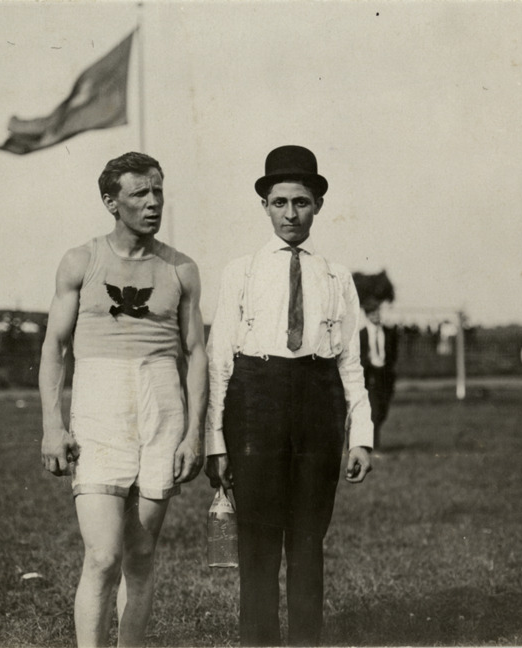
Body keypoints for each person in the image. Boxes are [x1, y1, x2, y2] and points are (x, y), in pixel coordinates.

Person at [205, 145, 374, 647]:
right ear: (264, 206)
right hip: (256, 401)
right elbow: (219, 360)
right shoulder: (242, 271)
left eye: (301, 202)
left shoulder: (336, 276)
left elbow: (350, 361)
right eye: (279, 202)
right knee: (257, 540)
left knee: (308, 537)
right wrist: (216, 441)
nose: (291, 214)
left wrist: (361, 436)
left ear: (318, 204)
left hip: (319, 403)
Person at [38, 152, 207, 647]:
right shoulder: (81, 261)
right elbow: (54, 348)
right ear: (111, 202)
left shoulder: (181, 268)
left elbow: (196, 353)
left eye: (158, 191)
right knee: (103, 555)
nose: (153, 202)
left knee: (140, 555)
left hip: (161, 406)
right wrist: (52, 425)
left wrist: (193, 434)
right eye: (140, 193)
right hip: (100, 406)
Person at [360, 296, 398, 450]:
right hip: (370, 376)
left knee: (382, 411)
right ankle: (373, 445)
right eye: (372, 313)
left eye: (377, 312)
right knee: (374, 411)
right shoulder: (362, 334)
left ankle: (369, 440)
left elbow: (393, 353)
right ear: (367, 315)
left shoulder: (389, 332)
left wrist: (388, 368)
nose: (376, 316)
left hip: (385, 375)